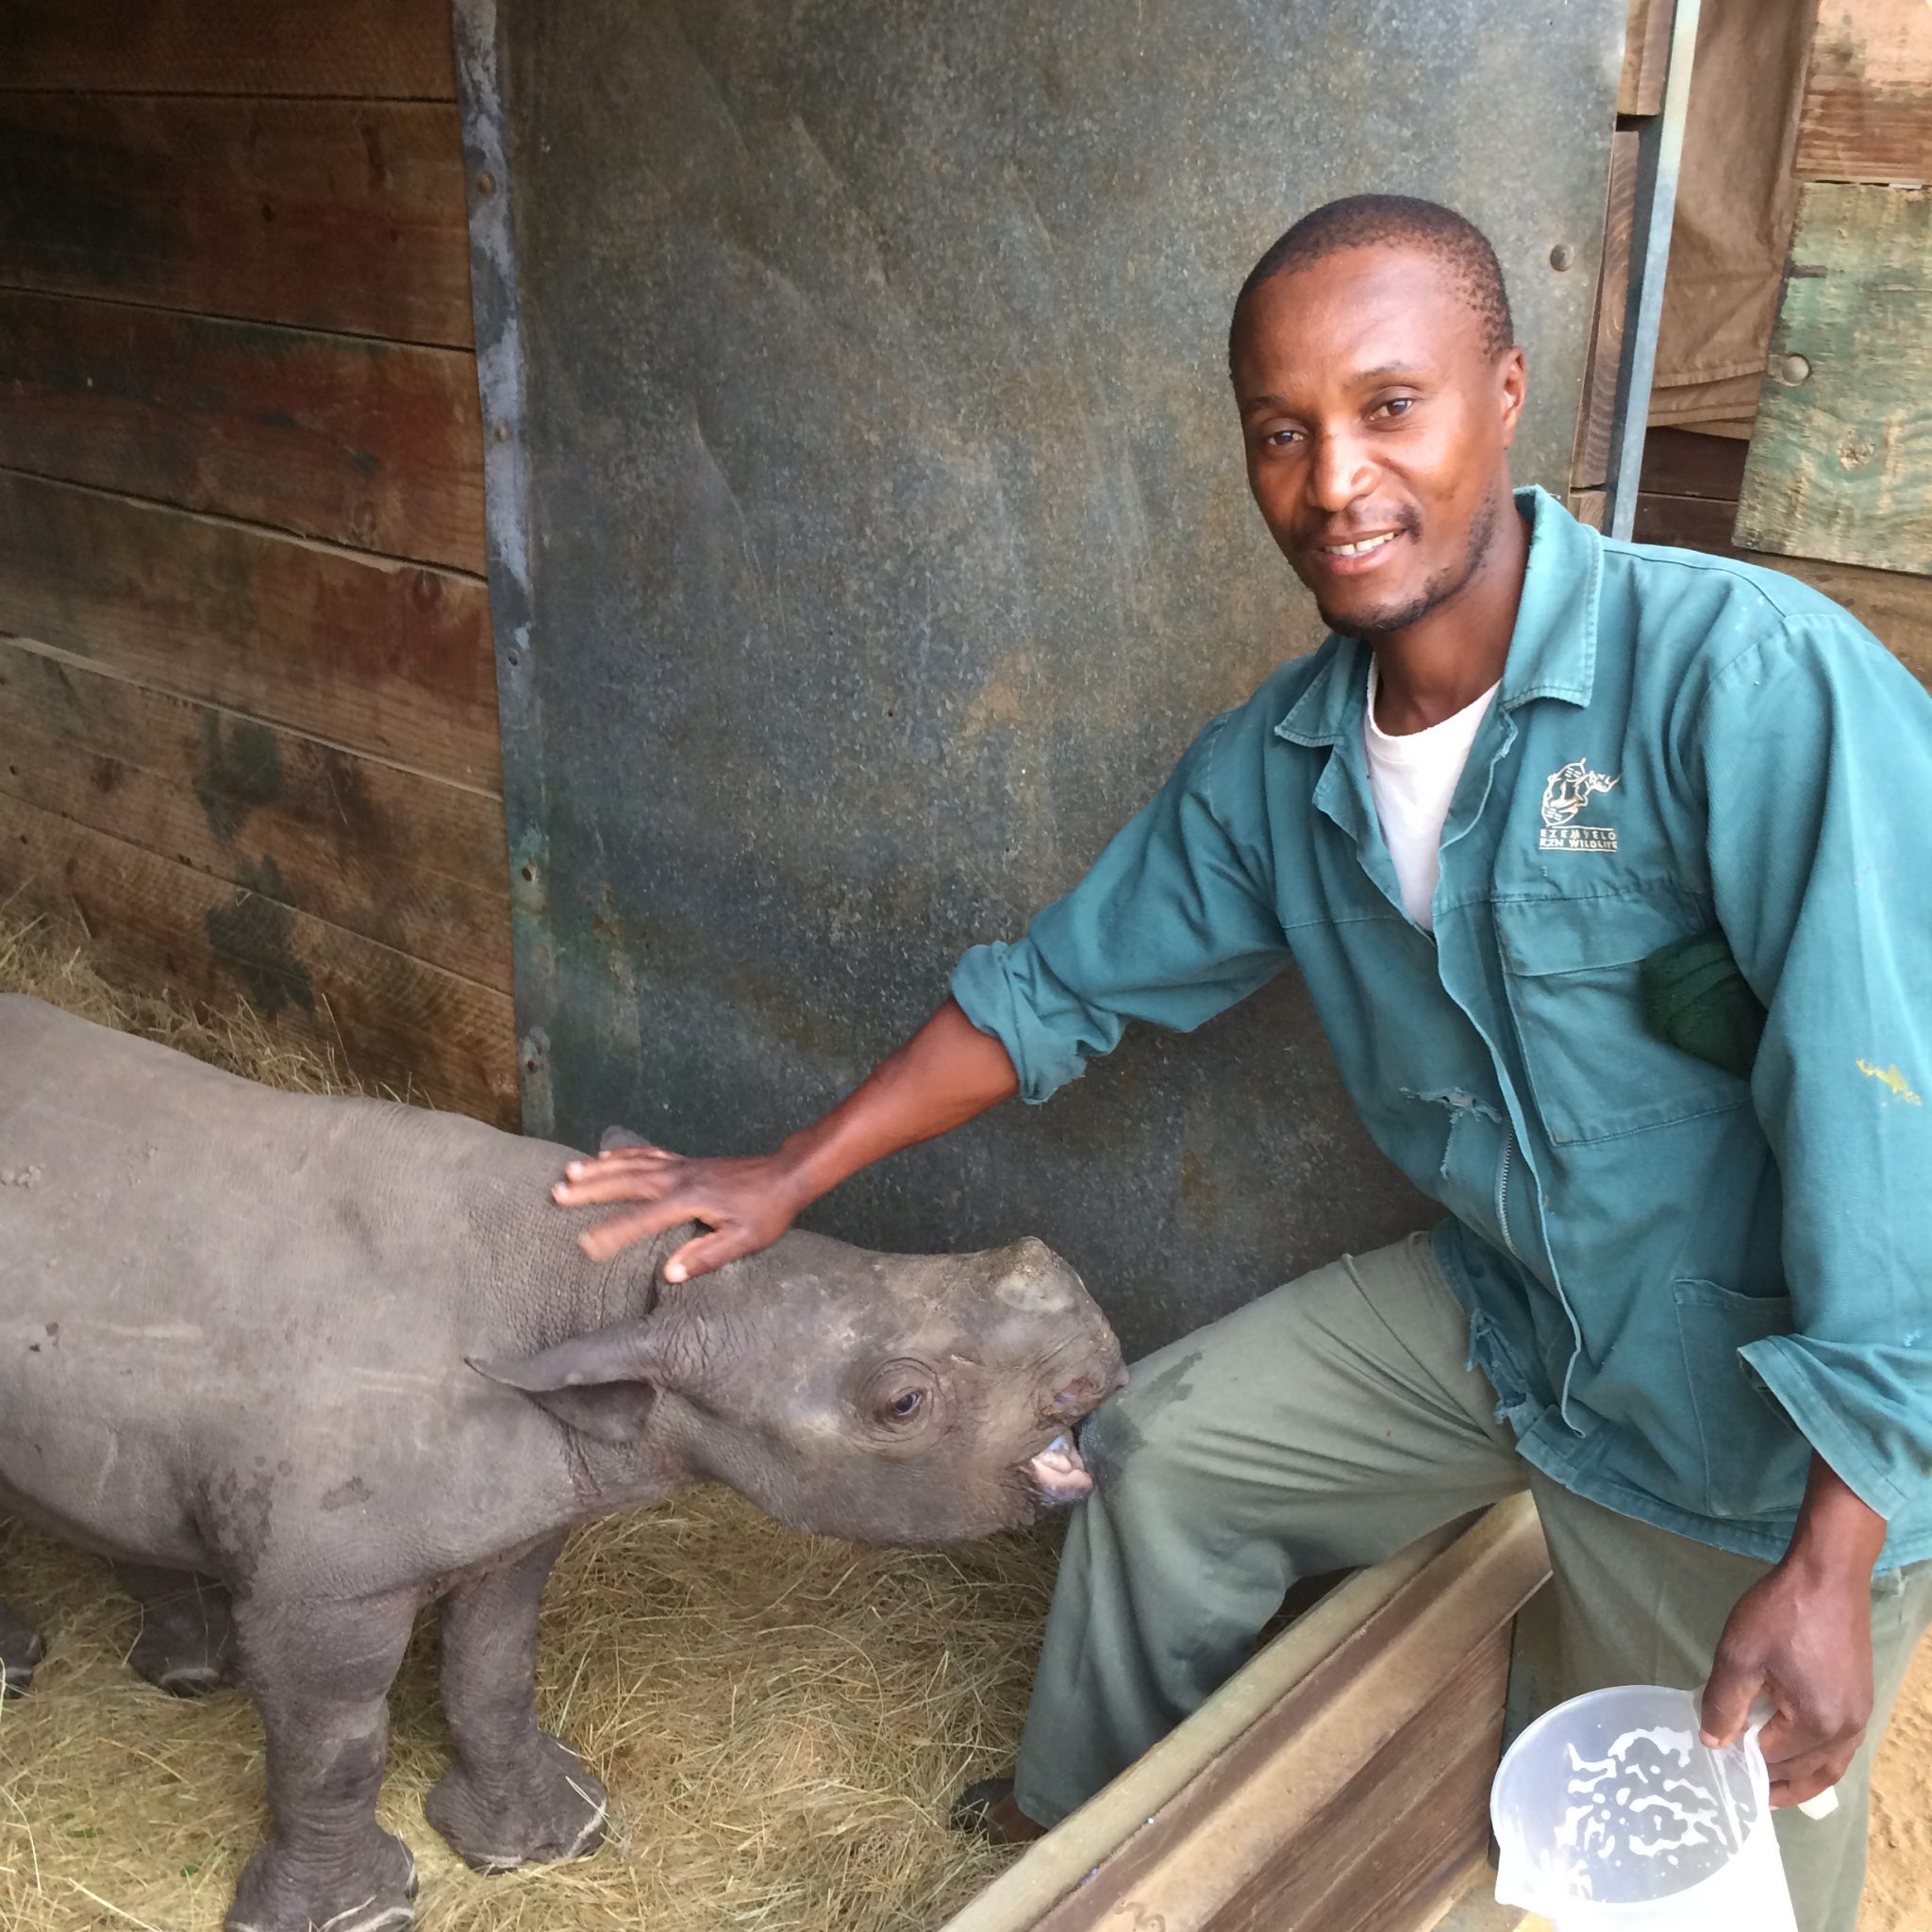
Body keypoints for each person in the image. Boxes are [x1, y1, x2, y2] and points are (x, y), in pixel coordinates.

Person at [553, 195, 1932, 1930]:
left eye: (1388, 407)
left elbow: (1901, 1133)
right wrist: (788, 1171)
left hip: (1738, 1414)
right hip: (1512, 1321)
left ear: (1510, 395)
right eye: (1281, 433)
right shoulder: (1282, 762)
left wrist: (1833, 1555)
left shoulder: (1745, 679)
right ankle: (1084, 1834)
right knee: (1166, 1454)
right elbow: (1051, 993)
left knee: (1709, 1882)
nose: (1334, 480)